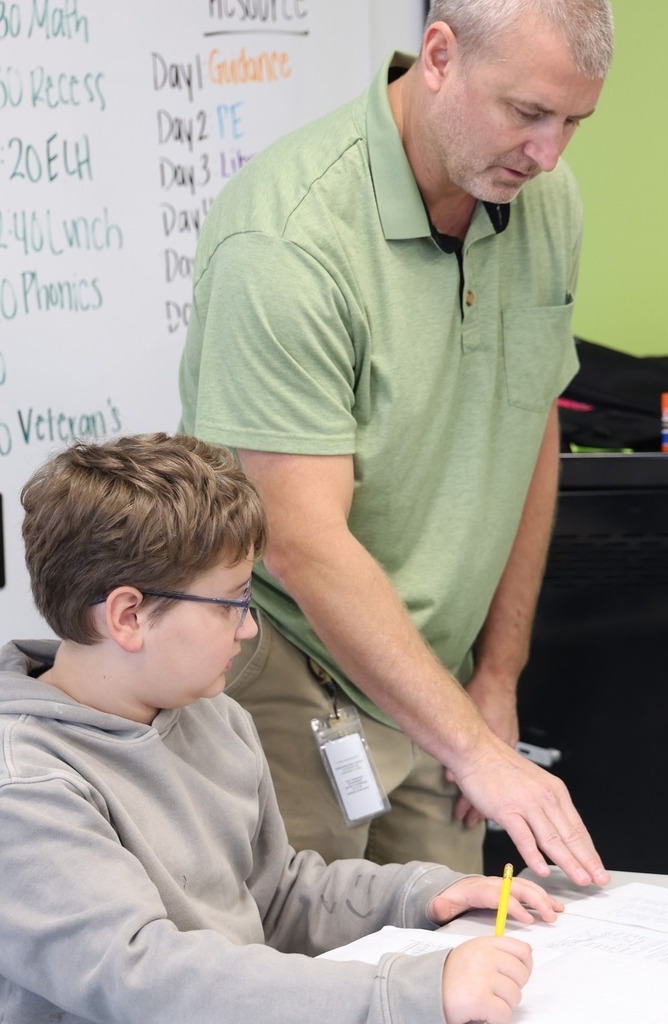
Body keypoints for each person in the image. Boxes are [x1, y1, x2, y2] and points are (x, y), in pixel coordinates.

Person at [178, 0, 614, 883]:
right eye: (529, 112)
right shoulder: (288, 241)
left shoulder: (544, 200)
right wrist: (475, 749)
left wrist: (498, 676)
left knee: (458, 945)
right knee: (300, 951)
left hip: (438, 679)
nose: (548, 153)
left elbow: (529, 425)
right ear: (439, 56)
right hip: (291, 666)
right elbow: (303, 543)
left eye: (574, 121)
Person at [0, 432, 562, 1024]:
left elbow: (275, 896)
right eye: (233, 603)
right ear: (129, 615)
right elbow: (144, 978)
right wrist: (403, 993)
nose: (247, 629)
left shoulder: (215, 716)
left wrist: (418, 895)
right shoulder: (26, 788)